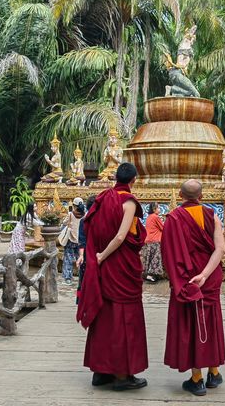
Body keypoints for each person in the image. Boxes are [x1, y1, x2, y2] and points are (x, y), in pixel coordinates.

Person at [76, 163, 148, 391]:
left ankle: (101, 371)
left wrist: (96, 257)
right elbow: (119, 237)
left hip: (105, 269)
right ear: (134, 179)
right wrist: (100, 256)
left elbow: (90, 227)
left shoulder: (103, 197)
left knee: (104, 316)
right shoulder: (128, 202)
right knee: (123, 318)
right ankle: (121, 375)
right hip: (117, 265)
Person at [161, 179, 225, 396]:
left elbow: (168, 255)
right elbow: (221, 249)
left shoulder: (173, 218)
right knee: (211, 322)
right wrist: (205, 275)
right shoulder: (212, 215)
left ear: (180, 196)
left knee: (191, 324)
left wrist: (185, 278)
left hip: (187, 280)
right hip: (208, 277)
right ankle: (213, 372)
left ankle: (196, 377)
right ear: (202, 196)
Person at [76, 195, 97, 305]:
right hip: (99, 254)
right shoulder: (102, 220)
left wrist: (81, 256)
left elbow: (82, 241)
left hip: (88, 255)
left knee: (85, 280)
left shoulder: (83, 221)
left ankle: (85, 303)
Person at [61, 197, 85, 285]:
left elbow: (64, 223)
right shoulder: (85, 215)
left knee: (68, 259)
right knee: (81, 259)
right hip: (80, 242)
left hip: (71, 240)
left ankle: (68, 278)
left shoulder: (71, 214)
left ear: (74, 206)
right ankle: (82, 277)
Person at [142, 202, 164, 283]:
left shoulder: (149, 217)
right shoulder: (155, 217)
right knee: (156, 258)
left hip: (148, 240)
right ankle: (151, 275)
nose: (159, 209)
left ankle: (149, 275)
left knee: (150, 258)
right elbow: (163, 228)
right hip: (155, 240)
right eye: (158, 208)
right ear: (154, 209)